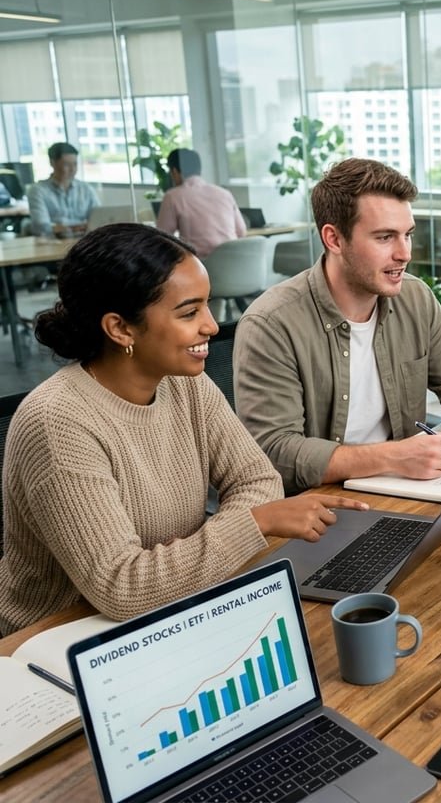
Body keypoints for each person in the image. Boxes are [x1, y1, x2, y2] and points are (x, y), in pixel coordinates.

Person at [0, 224, 365, 635]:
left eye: (206, 306)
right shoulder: (57, 423)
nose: (211, 325)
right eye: (189, 312)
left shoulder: (183, 381)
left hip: (176, 610)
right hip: (60, 638)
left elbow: (259, 480)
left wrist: (202, 553)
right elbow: (122, 586)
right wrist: (253, 524)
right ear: (120, 328)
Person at [234, 157, 441, 495]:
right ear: (333, 239)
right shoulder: (272, 324)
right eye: (385, 237)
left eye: (407, 235)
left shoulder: (415, 297)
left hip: (408, 493)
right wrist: (393, 457)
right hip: (319, 508)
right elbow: (274, 452)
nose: (404, 253)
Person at [156, 147, 246, 258]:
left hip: (201, 268)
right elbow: (241, 231)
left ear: (174, 171)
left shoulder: (173, 196)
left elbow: (161, 239)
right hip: (235, 263)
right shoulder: (225, 193)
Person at [26, 141, 101, 238]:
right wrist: (73, 228)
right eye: (66, 164)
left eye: (75, 164)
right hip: (53, 242)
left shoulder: (86, 189)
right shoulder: (37, 190)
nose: (72, 169)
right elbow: (41, 226)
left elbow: (99, 218)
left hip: (84, 240)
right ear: (52, 163)